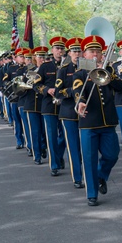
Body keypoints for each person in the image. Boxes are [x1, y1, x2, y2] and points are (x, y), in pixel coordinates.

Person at [73, 35, 122, 206]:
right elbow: (77, 90)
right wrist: (80, 102)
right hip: (89, 123)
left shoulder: (108, 70)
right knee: (89, 159)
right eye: (91, 52)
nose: (95, 55)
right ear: (85, 54)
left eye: (98, 52)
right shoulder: (80, 73)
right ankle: (92, 194)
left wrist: (110, 74)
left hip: (108, 122)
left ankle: (101, 175)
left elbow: (121, 88)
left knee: (112, 155)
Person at [55, 37, 85, 189]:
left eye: (79, 51)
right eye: (74, 51)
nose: (77, 53)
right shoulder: (63, 70)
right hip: (68, 113)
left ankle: (87, 172)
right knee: (73, 146)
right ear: (69, 53)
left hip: (86, 113)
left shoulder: (88, 69)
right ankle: (77, 178)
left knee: (86, 146)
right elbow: (58, 93)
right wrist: (74, 91)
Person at [39, 37, 68, 177]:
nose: (60, 50)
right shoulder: (45, 67)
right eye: (57, 48)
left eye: (62, 48)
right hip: (49, 106)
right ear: (52, 50)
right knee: (51, 136)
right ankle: (54, 165)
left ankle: (58, 155)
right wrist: (46, 90)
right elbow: (36, 84)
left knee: (64, 136)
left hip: (65, 105)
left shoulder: (68, 66)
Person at [3, 49, 28, 150]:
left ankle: (28, 141)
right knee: (17, 120)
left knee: (25, 122)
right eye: (20, 56)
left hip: (25, 98)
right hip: (15, 99)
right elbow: (5, 80)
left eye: (24, 56)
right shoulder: (11, 68)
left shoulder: (28, 68)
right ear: (16, 58)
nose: (22, 58)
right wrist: (9, 85)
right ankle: (19, 140)